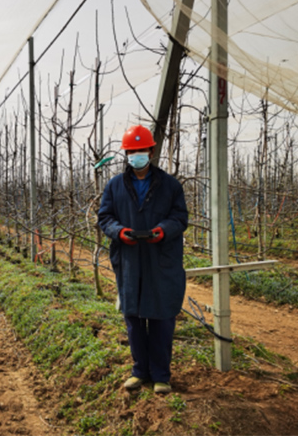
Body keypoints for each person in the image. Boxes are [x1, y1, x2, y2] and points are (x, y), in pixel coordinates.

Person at [98, 124, 188, 394]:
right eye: (131, 151)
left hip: (161, 260)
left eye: (141, 150)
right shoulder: (115, 185)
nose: (137, 155)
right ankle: (140, 371)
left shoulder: (170, 185)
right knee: (134, 317)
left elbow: (180, 217)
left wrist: (163, 231)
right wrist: (119, 232)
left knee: (161, 318)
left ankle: (161, 375)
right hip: (130, 259)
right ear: (126, 154)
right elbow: (105, 217)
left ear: (151, 150)